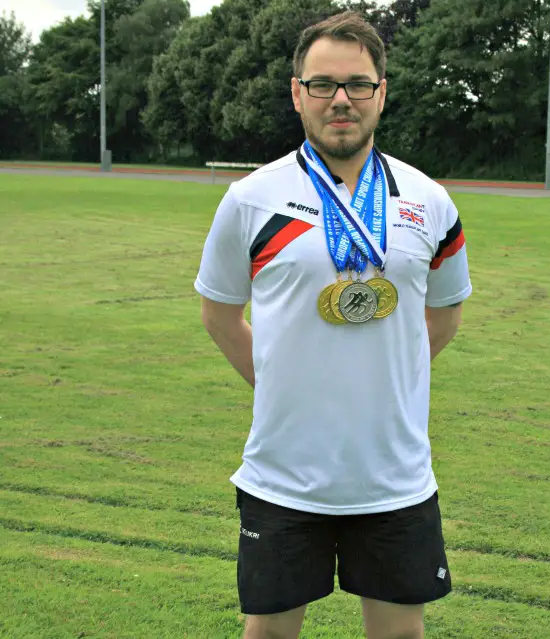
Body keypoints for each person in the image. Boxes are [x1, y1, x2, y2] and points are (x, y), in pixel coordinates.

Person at [194, 11, 472, 639]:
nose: (340, 99)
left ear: (382, 92)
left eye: (358, 83)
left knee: (400, 634)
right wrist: (282, 385)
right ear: (297, 94)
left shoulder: (430, 202)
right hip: (283, 472)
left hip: (394, 477)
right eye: (322, 84)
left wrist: (381, 385)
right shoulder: (249, 199)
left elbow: (444, 316)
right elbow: (219, 315)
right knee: (269, 634)